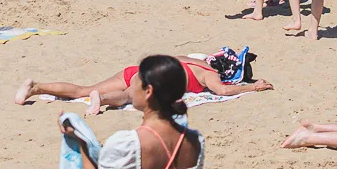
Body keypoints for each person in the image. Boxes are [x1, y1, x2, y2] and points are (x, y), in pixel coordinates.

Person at [60, 55, 205, 169]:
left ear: (148, 91)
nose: (131, 85)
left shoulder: (127, 145)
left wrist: (82, 145)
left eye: (136, 80)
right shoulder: (194, 142)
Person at [17, 53, 272, 111]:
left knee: (84, 89)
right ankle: (102, 100)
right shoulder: (209, 75)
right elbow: (223, 90)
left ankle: (36, 87)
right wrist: (252, 86)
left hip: (136, 69)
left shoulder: (191, 58)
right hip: (152, 78)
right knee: (128, 96)